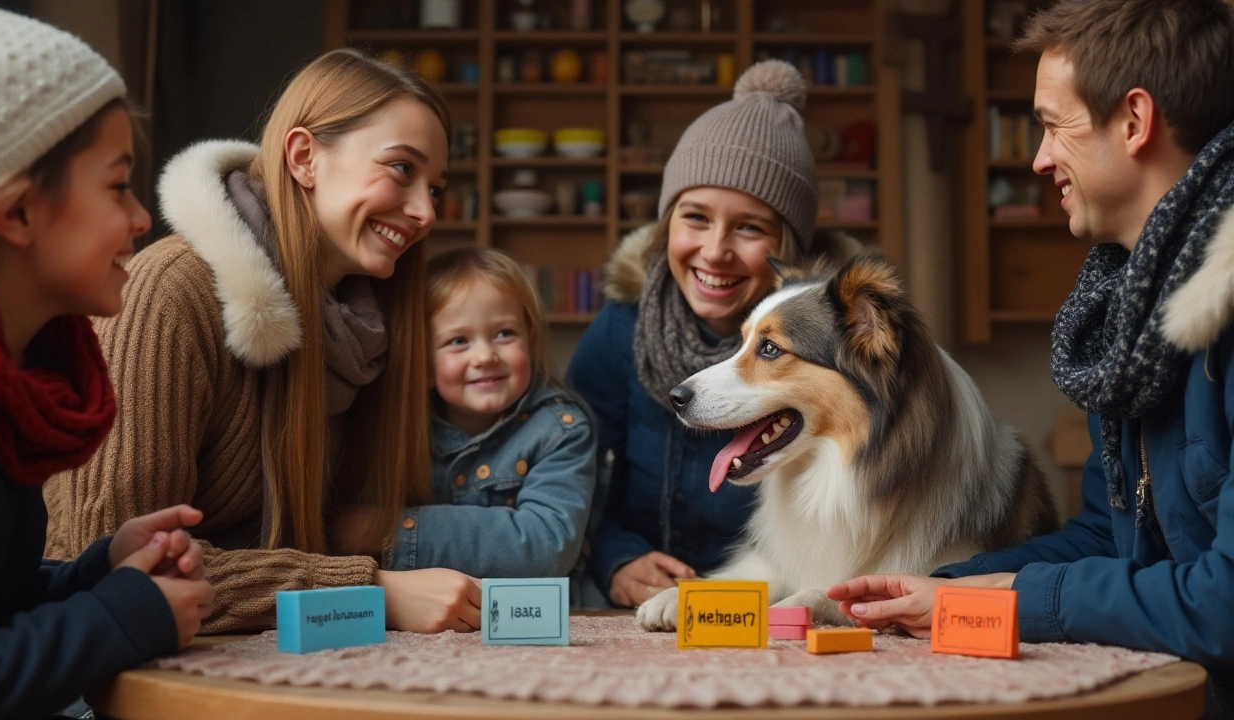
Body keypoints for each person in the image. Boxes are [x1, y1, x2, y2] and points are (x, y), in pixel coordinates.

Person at [825, 0, 1234, 715]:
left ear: (1134, 122)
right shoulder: (1128, 311)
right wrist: (946, 586)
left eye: (1052, 124)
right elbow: (1110, 538)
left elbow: (1223, 604)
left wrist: (1008, 597)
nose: (1040, 158)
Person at [44, 48, 482, 635]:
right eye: (402, 168)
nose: (426, 211)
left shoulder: (364, 332)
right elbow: (120, 572)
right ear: (304, 157)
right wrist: (369, 591)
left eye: (435, 186)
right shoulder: (171, 292)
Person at [0, 2, 214, 716]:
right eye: (117, 184)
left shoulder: (5, 385)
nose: (140, 218)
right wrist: (123, 614)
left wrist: (101, 574)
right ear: (18, 214)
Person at [567, 60, 856, 609]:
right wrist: (616, 559)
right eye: (695, 217)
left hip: (775, 607)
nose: (715, 250)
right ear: (666, 224)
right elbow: (568, 475)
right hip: (641, 612)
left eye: (749, 226)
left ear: (790, 245)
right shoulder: (618, 332)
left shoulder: (837, 355)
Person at [387, 247, 595, 580]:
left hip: (534, 619)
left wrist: (387, 530)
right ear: (423, 365)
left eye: (504, 334)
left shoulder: (562, 430)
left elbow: (546, 548)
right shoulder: (397, 429)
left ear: (530, 339)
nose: (485, 355)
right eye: (458, 340)